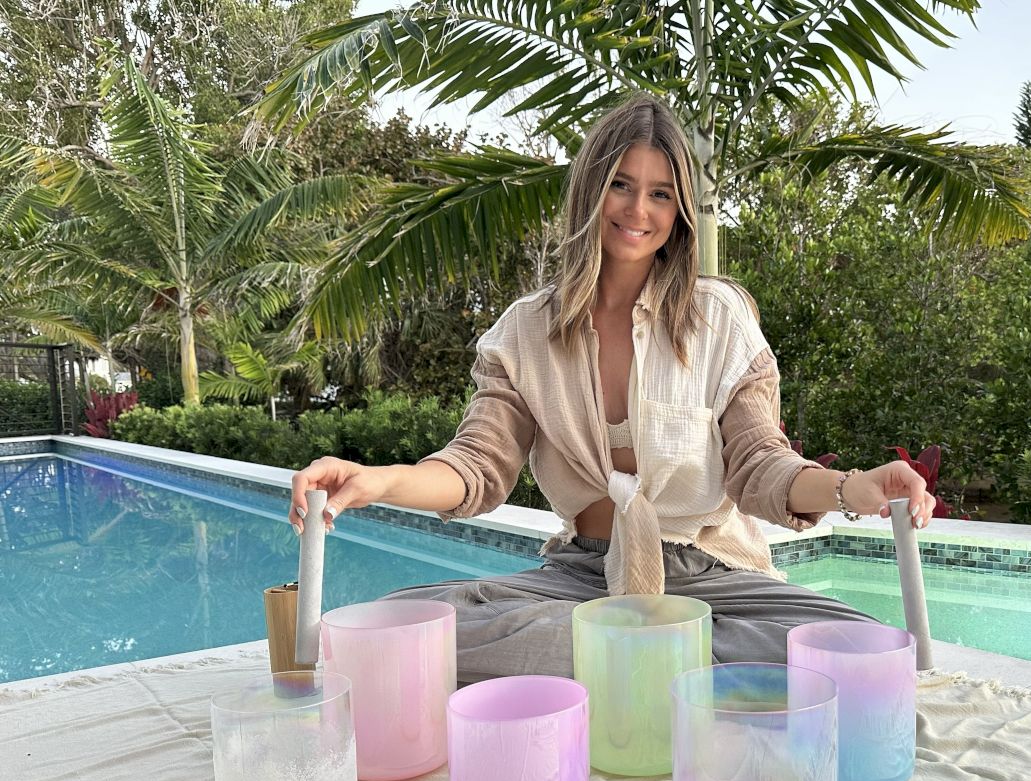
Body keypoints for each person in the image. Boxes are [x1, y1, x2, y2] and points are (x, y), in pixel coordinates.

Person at [290, 95, 934, 683]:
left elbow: (760, 465)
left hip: (711, 578)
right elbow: (477, 467)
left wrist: (856, 488)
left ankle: (634, 663)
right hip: (581, 577)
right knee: (408, 622)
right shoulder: (524, 333)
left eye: (660, 193)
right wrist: (378, 481)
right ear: (590, 192)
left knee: (863, 645)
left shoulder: (721, 318)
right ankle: (675, 669)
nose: (638, 209)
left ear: (679, 208)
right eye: (620, 185)